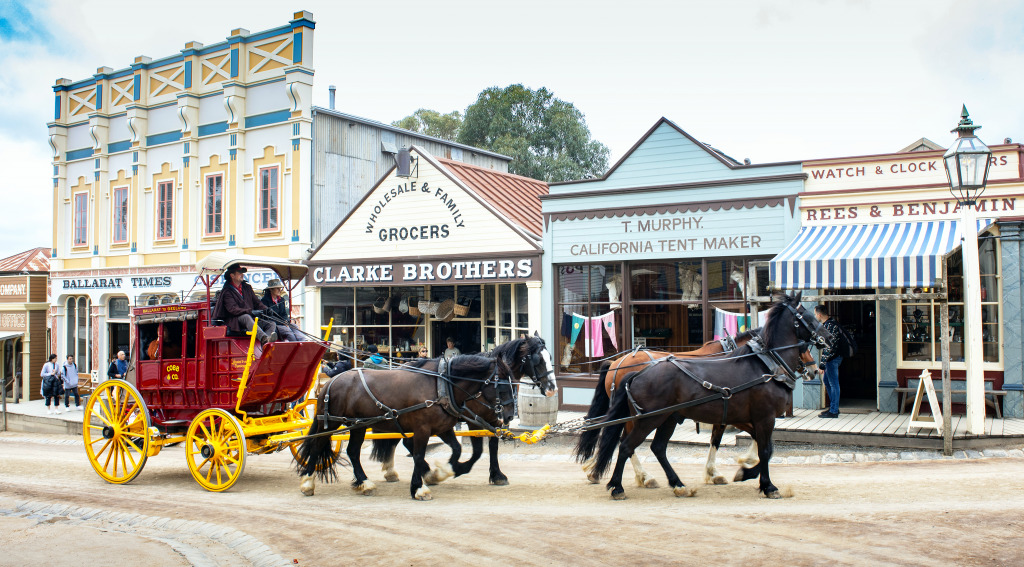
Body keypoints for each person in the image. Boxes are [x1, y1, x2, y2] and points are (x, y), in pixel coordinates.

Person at [211, 264, 277, 346]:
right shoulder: (227, 291)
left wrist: (266, 309)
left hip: (249, 319)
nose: (242, 275)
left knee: (271, 323)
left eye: (242, 273)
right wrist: (251, 311)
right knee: (246, 317)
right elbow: (233, 309)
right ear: (232, 275)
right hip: (234, 321)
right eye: (239, 273)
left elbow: (257, 303)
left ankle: (266, 343)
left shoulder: (247, 287)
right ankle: (264, 338)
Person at [815, 305, 844, 418]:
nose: (815, 316)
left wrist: (822, 365)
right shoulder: (829, 324)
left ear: (819, 314)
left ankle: (834, 411)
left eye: (815, 314)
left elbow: (828, 347)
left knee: (833, 383)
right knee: (827, 381)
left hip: (832, 358)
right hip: (833, 358)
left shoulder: (829, 326)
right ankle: (833, 407)